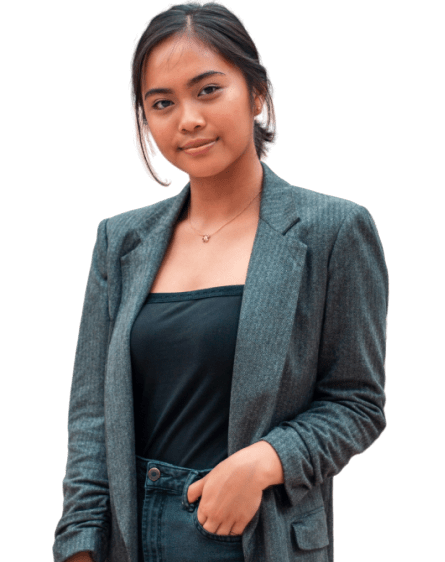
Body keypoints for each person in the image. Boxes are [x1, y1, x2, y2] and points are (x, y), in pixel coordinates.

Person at [53, 1, 389, 562]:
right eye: (162, 103)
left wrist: (264, 462)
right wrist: (80, 545)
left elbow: (357, 402)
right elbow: (92, 418)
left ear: (257, 93)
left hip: (259, 536)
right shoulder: (121, 241)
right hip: (133, 539)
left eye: (208, 90)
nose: (188, 119)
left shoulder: (334, 231)